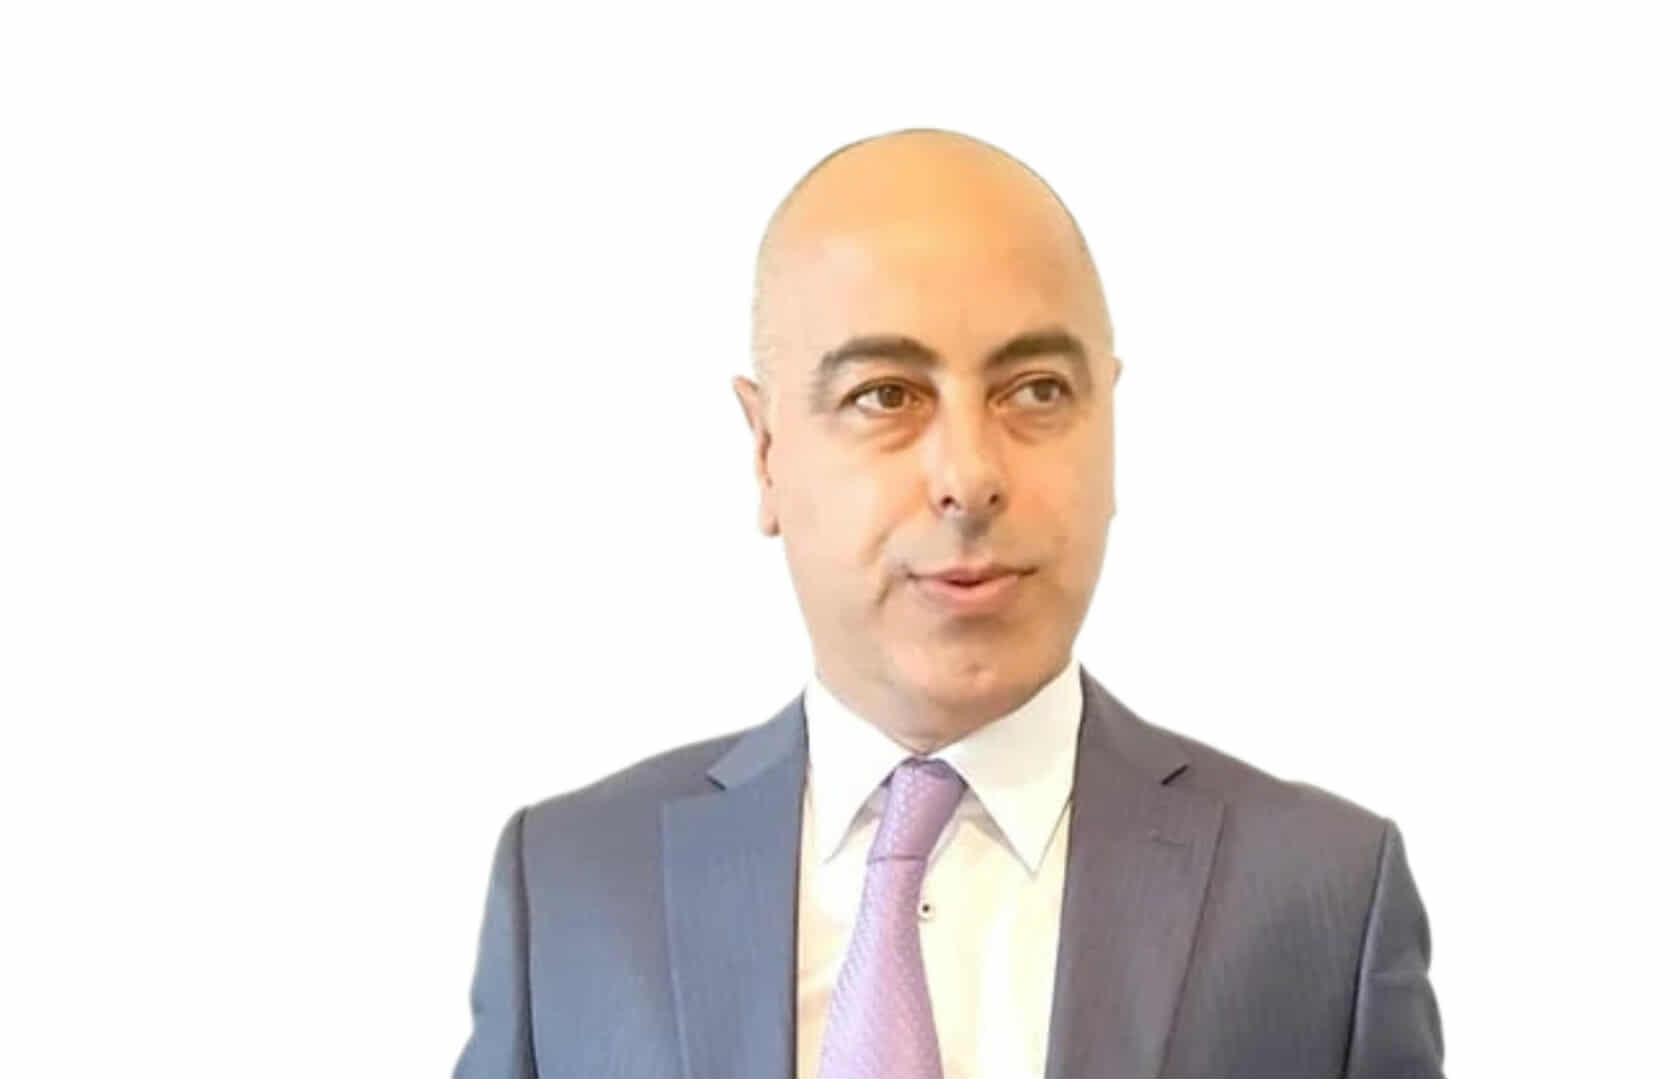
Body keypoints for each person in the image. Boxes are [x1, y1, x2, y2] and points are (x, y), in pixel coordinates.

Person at [453, 128, 1443, 1079]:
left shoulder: (1323, 899)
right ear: (765, 449)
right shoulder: (574, 888)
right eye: (886, 395)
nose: (969, 476)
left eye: (1037, 390)